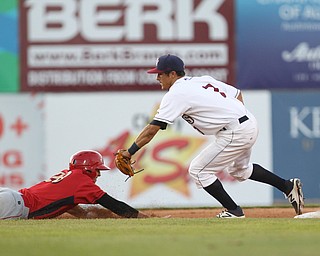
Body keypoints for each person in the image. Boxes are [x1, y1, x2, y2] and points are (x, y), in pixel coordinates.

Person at [120, 54, 304, 218]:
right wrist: (235, 115)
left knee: (198, 170)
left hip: (235, 131)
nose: (157, 77)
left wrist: (130, 151)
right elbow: (237, 94)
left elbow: (153, 128)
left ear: (173, 74)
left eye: (161, 73)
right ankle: (288, 186)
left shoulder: (177, 93)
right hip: (247, 122)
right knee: (240, 170)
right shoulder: (201, 80)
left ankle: (234, 211)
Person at [0, 150, 148, 220]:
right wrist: (144, 218)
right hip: (15, 206)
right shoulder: (83, 182)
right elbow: (115, 206)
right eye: (97, 170)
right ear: (89, 169)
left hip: (11, 197)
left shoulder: (70, 175)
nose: (99, 174)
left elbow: (64, 200)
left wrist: (83, 215)